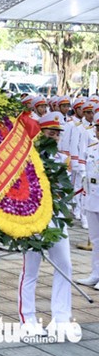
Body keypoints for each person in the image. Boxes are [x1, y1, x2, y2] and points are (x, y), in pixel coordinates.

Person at [19, 111, 77, 336]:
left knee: (65, 267)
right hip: (33, 219)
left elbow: (66, 190)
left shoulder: (62, 160)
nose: (54, 137)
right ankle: (28, 319)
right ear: (39, 133)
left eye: (57, 134)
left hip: (57, 220)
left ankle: (61, 319)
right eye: (50, 133)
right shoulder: (27, 158)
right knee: (30, 271)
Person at [79, 111, 99, 289]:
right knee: (95, 239)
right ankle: (95, 274)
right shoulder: (91, 149)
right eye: (98, 128)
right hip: (93, 199)